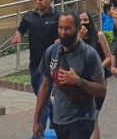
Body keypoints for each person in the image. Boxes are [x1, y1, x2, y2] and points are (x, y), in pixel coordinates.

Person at [32, 10, 106, 139]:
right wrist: (36, 120)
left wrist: (78, 81)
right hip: (59, 120)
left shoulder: (89, 54)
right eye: (60, 28)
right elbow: (45, 87)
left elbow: (102, 90)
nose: (63, 32)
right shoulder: (51, 52)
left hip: (82, 120)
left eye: (67, 28)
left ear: (77, 29)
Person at [11, 0, 60, 133]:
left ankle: (39, 133)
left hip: (49, 66)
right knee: (40, 96)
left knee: (42, 99)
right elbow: (20, 29)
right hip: (34, 65)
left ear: (51, 0)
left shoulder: (57, 17)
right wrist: (18, 35)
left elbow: (63, 34)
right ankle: (56, 120)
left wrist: (60, 41)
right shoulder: (29, 16)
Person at [78, 10, 113, 139]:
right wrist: (79, 38)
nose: (83, 23)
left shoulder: (99, 35)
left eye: (85, 20)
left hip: (98, 81)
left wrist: (97, 68)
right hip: (82, 83)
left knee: (93, 118)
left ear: (90, 22)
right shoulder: (76, 39)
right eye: (80, 20)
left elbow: (109, 58)